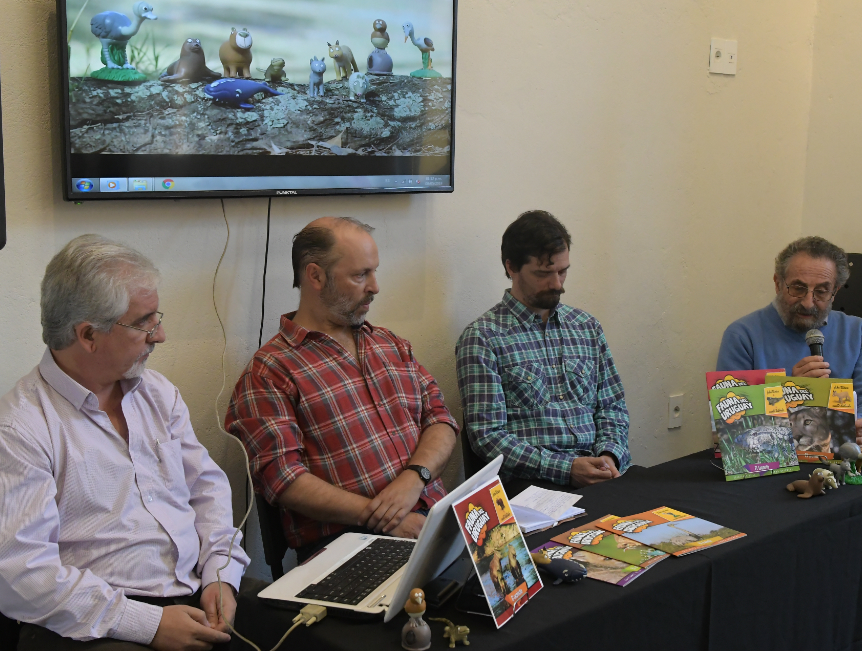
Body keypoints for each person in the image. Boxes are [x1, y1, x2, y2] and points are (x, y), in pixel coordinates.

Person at [0, 234, 250, 650]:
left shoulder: (157, 394)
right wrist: (147, 624)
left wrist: (221, 576)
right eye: (145, 322)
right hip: (94, 624)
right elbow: (24, 577)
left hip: (193, 590)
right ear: (88, 335)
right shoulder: (14, 432)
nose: (160, 335)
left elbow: (207, 492)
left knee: (318, 629)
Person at [225, 217, 459, 560]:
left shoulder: (390, 344)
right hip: (352, 544)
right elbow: (283, 479)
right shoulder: (271, 371)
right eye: (360, 275)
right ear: (316, 276)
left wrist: (415, 477)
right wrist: (384, 516)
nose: (375, 287)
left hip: (436, 518)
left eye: (374, 272)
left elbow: (440, 419)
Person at [455, 210, 631, 487]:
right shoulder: (483, 338)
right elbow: (488, 436)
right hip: (535, 484)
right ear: (511, 267)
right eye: (543, 274)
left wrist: (609, 455)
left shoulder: (586, 327)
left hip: (601, 473)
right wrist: (567, 468)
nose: (557, 284)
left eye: (563, 271)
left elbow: (612, 406)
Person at [716, 236, 862, 444]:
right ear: (778, 283)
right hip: (771, 455)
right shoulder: (742, 335)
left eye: (821, 292)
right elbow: (731, 420)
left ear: (835, 292)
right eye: (798, 288)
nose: (808, 303)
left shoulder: (860, 332)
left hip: (843, 451)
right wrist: (791, 391)